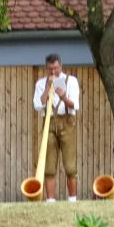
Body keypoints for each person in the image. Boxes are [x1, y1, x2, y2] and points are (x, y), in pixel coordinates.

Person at [32, 53, 80, 202]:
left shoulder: (71, 81)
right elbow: (38, 105)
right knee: (49, 165)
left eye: (56, 68)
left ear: (61, 66)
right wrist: (48, 88)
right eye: (50, 69)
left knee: (70, 165)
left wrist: (63, 96)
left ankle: (72, 200)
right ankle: (50, 201)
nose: (53, 72)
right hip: (49, 122)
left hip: (67, 122)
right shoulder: (41, 83)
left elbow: (75, 105)